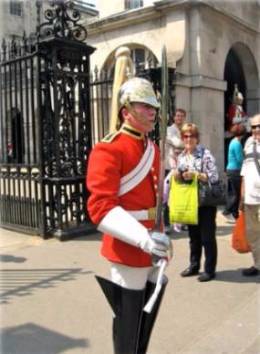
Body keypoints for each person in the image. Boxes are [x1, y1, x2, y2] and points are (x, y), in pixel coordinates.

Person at [86, 76, 172, 353]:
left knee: (146, 317)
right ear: (126, 112)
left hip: (153, 242)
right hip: (129, 245)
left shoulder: (153, 147)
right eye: (144, 106)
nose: (152, 112)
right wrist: (142, 238)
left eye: (153, 107)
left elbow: (154, 199)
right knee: (128, 317)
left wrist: (160, 234)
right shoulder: (109, 148)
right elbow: (100, 208)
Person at [173, 123, 219, 282]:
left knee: (207, 237)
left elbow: (214, 178)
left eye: (191, 136)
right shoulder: (181, 156)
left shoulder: (205, 155)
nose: (188, 139)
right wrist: (178, 175)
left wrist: (196, 174)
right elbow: (179, 176)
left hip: (205, 202)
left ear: (197, 138)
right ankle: (194, 266)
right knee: (194, 237)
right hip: (189, 201)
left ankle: (210, 269)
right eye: (185, 136)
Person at [240, 113, 260, 276]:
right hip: (250, 198)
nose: (256, 129)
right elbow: (245, 171)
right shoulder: (248, 143)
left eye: (259, 126)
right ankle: (258, 264)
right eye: (254, 126)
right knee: (253, 234)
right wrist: (242, 195)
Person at [164, 108, 186, 232]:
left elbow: (193, 144)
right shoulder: (169, 130)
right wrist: (186, 144)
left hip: (182, 166)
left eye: (182, 116)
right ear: (174, 118)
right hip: (170, 167)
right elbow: (177, 143)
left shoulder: (185, 130)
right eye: (178, 116)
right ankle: (166, 224)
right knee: (166, 197)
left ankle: (180, 223)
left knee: (182, 195)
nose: (179, 118)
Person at [222, 122, 245, 221]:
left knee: (234, 192)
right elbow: (240, 159)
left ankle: (234, 214)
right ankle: (227, 211)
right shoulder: (237, 143)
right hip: (235, 170)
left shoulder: (233, 141)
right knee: (235, 193)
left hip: (231, 170)